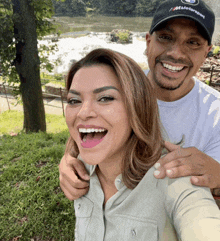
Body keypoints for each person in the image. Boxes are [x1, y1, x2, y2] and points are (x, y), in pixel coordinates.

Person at [59, 0, 220, 204]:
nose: (176, 53)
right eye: (165, 37)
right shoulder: (118, 87)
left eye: (192, 42)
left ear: (207, 53)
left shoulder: (215, 114)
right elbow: (83, 125)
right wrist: (68, 160)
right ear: (148, 41)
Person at [64, 48, 220, 241]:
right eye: (74, 100)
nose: (83, 112)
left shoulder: (172, 177)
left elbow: (202, 222)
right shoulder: (78, 170)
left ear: (137, 106)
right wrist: (68, 156)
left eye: (105, 98)